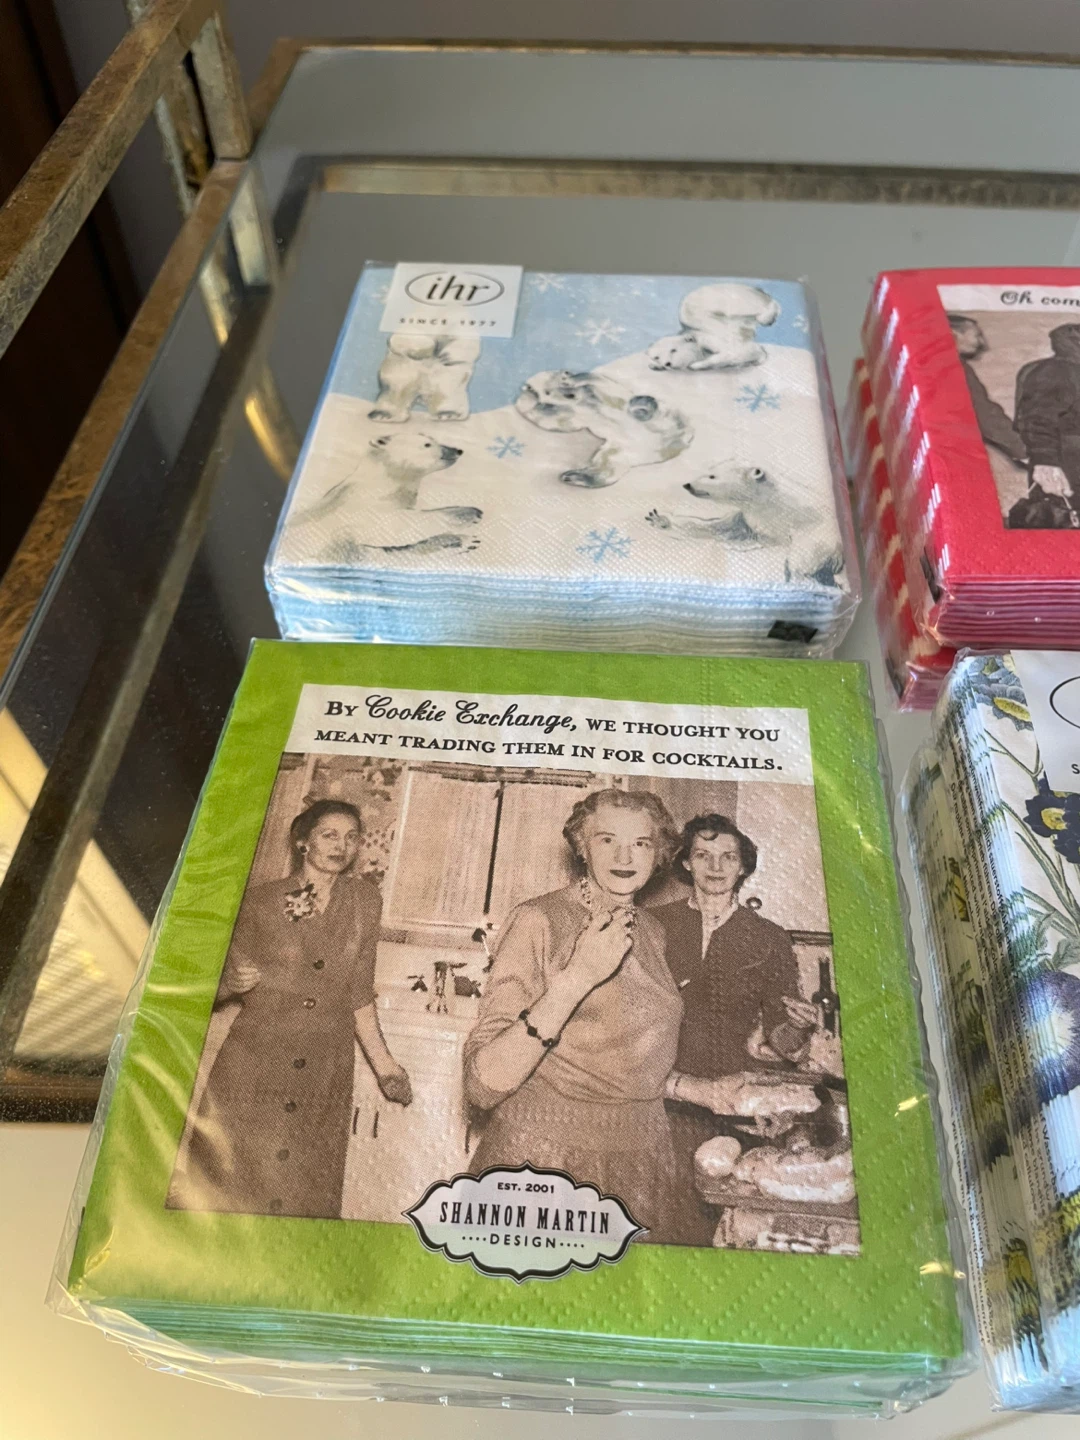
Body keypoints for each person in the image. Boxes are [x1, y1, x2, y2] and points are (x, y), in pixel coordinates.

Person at [463, 789, 684, 1242]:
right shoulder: (539, 920)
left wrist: (710, 1092)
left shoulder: (652, 931)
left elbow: (620, 1060)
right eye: (607, 840)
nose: (625, 856)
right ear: (582, 847)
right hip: (545, 1161)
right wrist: (578, 978)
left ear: (658, 853)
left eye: (641, 843)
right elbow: (482, 1084)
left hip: (642, 1161)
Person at [175, 799, 412, 1219]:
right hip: (256, 1061)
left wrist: (386, 1067)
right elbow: (198, 989)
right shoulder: (260, 901)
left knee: (302, 1187)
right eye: (329, 835)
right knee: (234, 1186)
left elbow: (358, 992)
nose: (341, 846)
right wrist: (230, 983)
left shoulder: (364, 902)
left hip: (324, 1063)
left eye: (352, 837)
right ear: (303, 842)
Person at [654, 814, 818, 1245]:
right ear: (686, 862)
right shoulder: (654, 925)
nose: (715, 866)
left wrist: (798, 1027)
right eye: (703, 855)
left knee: (717, 1222)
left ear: (743, 866)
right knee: (662, 1217)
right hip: (662, 1095)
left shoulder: (768, 938)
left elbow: (782, 1041)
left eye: (728, 857)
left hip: (732, 1104)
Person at [1014, 321, 1080, 519]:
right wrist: (1045, 460)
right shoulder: (1057, 371)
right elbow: (1038, 418)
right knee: (1061, 519)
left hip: (1067, 458)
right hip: (1065, 462)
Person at [947, 314, 1028, 468]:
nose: (982, 343)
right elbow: (984, 413)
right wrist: (1024, 450)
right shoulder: (954, 367)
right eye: (976, 335)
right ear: (954, 333)